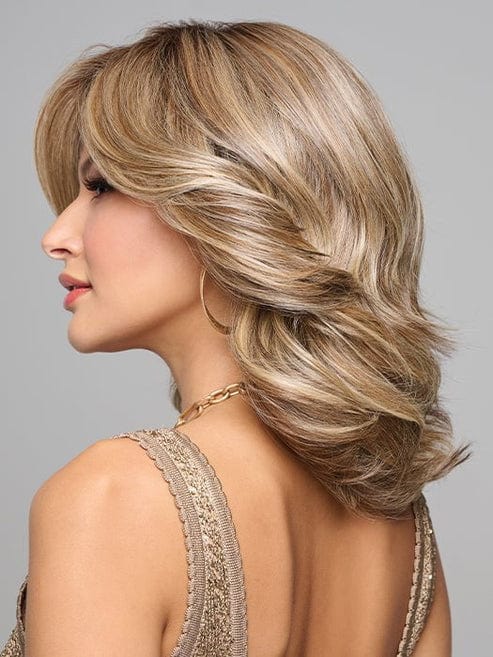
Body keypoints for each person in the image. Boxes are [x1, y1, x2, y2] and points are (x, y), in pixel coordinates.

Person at [1, 19, 471, 657]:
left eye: (101, 186)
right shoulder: (400, 523)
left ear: (224, 209)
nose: (56, 235)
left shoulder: (113, 497)